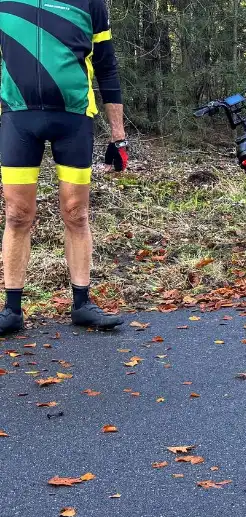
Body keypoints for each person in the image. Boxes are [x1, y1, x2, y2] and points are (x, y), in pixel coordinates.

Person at [0, 0, 130, 335]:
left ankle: (82, 304)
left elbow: (107, 66)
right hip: (18, 117)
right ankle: (11, 310)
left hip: (74, 119)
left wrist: (118, 135)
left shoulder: (91, 3)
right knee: (17, 214)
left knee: (76, 212)